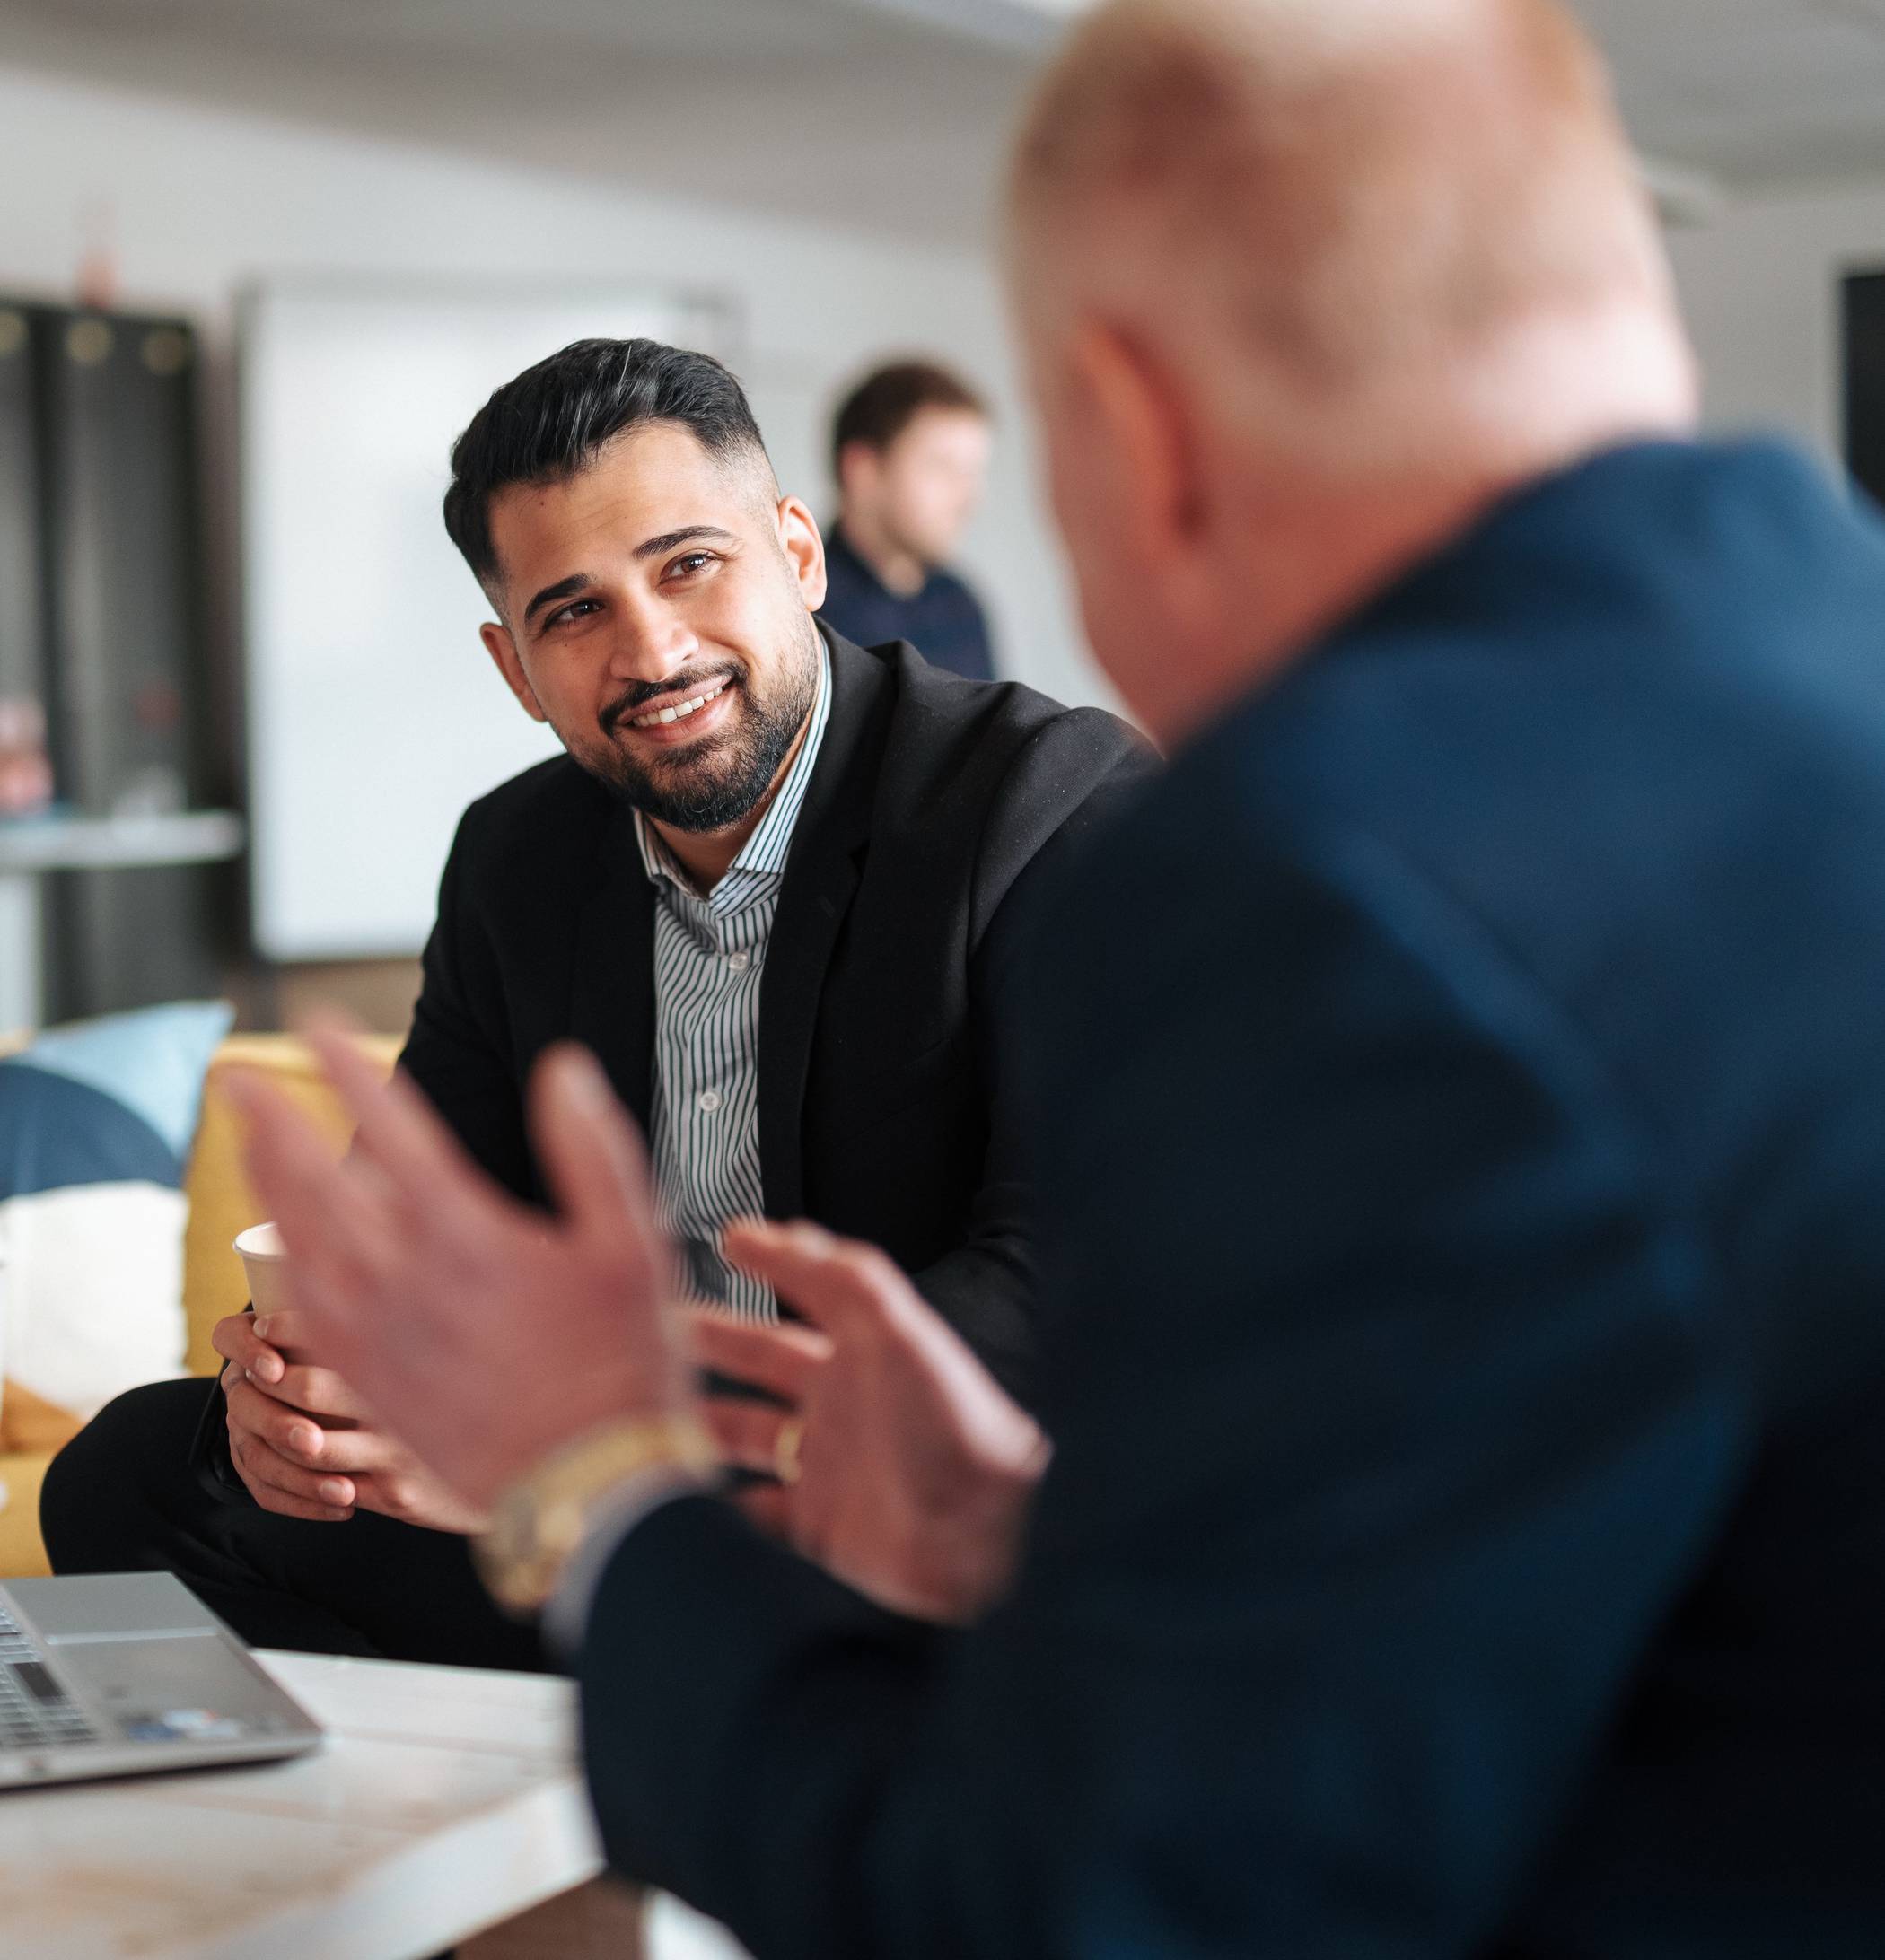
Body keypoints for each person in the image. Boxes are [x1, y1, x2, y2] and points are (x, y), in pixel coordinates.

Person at [232, 0, 1885, 1953]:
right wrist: (1023, 1534)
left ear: (1126, 421)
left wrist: (598, 1475)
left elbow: (1088, 1905)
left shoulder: (1329, 878)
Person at [39, 337, 1145, 1671]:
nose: (653, 650)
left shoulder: (1043, 803)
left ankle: (674, 1710)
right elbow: (413, 1232)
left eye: (690, 565)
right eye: (573, 612)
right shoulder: (515, 859)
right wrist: (296, 1395)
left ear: (797, 553)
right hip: (593, 1521)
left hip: (888, 1510)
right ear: (515, 669)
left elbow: (1064, 1282)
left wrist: (593, 1446)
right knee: (138, 1475)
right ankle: (589, 1729)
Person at [817, 360, 998, 680]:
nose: (968, 499)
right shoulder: (806, 614)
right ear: (863, 471)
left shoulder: (962, 605)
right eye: (942, 467)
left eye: (971, 473)